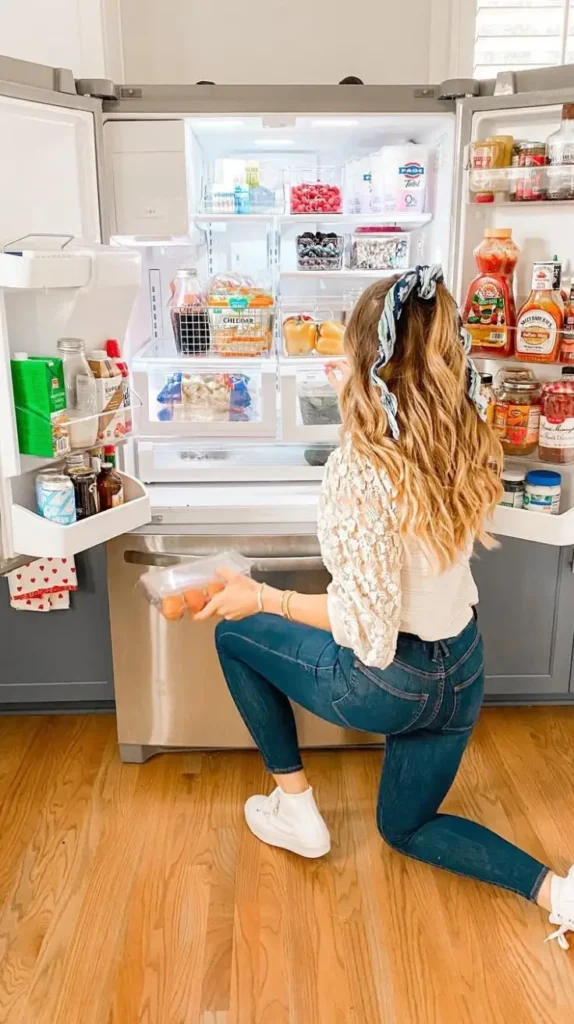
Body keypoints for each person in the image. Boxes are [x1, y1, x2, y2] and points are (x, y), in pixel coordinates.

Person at [196, 266, 574, 949]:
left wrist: (262, 596)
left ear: (367, 364)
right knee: (406, 829)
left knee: (236, 634)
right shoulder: (465, 431)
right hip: (461, 673)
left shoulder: (359, 465)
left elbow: (364, 632)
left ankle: (297, 810)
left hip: (387, 683)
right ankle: (559, 893)